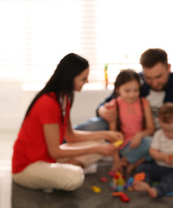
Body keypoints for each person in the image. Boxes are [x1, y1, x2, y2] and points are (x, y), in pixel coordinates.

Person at [75, 48, 173, 170]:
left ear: (169, 68)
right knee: (97, 123)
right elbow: (108, 102)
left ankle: (130, 160)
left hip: (156, 135)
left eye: (158, 76)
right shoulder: (137, 82)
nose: (153, 82)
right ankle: (58, 143)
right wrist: (103, 110)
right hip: (125, 130)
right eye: (148, 77)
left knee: (166, 149)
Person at [12, 53, 123, 192]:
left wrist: (106, 134)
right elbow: (55, 152)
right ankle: (62, 173)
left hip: (48, 158)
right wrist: (95, 149)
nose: (87, 81)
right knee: (75, 177)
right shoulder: (48, 103)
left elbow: (70, 136)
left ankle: (60, 173)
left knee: (102, 143)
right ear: (70, 78)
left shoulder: (65, 98)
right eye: (83, 78)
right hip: (27, 167)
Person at [133, 102, 173, 198]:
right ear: (160, 122)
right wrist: (162, 157)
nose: (171, 134)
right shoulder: (158, 134)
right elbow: (152, 151)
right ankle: (142, 183)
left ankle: (157, 190)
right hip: (160, 166)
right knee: (142, 168)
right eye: (166, 131)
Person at [108, 69, 154, 175]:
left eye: (136, 90)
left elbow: (151, 129)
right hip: (124, 148)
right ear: (118, 89)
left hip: (141, 143)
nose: (132, 95)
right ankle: (131, 161)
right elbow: (112, 136)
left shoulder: (144, 103)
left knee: (156, 143)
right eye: (127, 91)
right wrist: (116, 160)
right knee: (149, 145)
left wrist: (139, 135)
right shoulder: (114, 105)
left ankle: (131, 162)